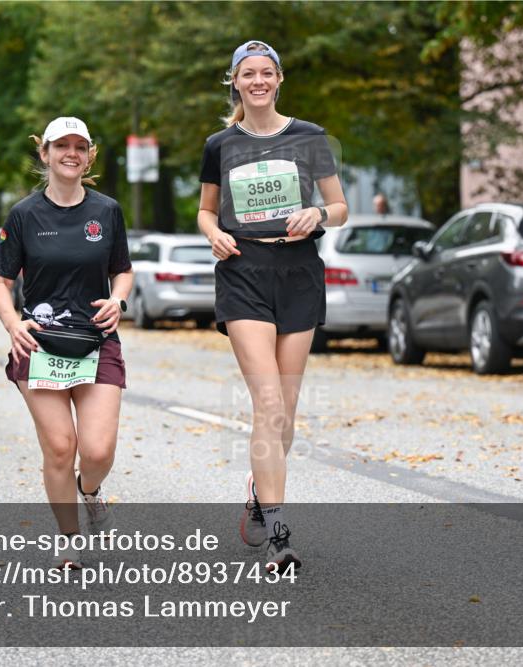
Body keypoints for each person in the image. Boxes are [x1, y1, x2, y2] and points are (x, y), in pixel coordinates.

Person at [197, 41, 348, 572]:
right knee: (269, 404)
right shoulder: (220, 143)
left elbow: (341, 206)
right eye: (247, 74)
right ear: (234, 82)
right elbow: (206, 211)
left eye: (266, 73)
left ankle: (260, 491)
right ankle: (280, 536)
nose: (258, 81)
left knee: (285, 413)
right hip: (244, 272)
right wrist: (214, 234)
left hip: (300, 271)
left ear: (279, 79)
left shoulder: (308, 137)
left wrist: (318, 215)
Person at [0, 117, 133, 569]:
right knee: (58, 447)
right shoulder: (24, 214)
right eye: (62, 145)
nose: (71, 153)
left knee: (97, 451)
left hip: (96, 340)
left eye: (80, 146)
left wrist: (118, 299)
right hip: (39, 346)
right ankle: (69, 539)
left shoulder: (107, 210)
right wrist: (13, 324)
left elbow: (122, 270)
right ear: (45, 153)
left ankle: (89, 491)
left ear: (89, 155)